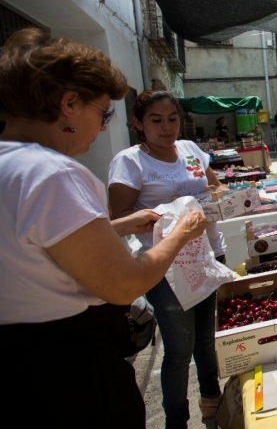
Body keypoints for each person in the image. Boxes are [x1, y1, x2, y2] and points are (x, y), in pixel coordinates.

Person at [0, 28, 207, 428]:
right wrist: (180, 232)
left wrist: (121, 225)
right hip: (66, 367)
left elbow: (35, 246)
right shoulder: (50, 174)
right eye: (102, 112)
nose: (100, 128)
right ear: (69, 104)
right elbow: (124, 283)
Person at [108, 90, 228, 428]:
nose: (166, 128)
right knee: (178, 348)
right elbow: (118, 217)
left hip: (207, 254)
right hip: (165, 266)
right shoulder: (131, 161)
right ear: (138, 124)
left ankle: (212, 404)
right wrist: (168, 213)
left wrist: (210, 201)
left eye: (172, 119)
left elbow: (214, 186)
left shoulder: (190, 150)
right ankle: (177, 420)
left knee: (206, 338)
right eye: (156, 121)